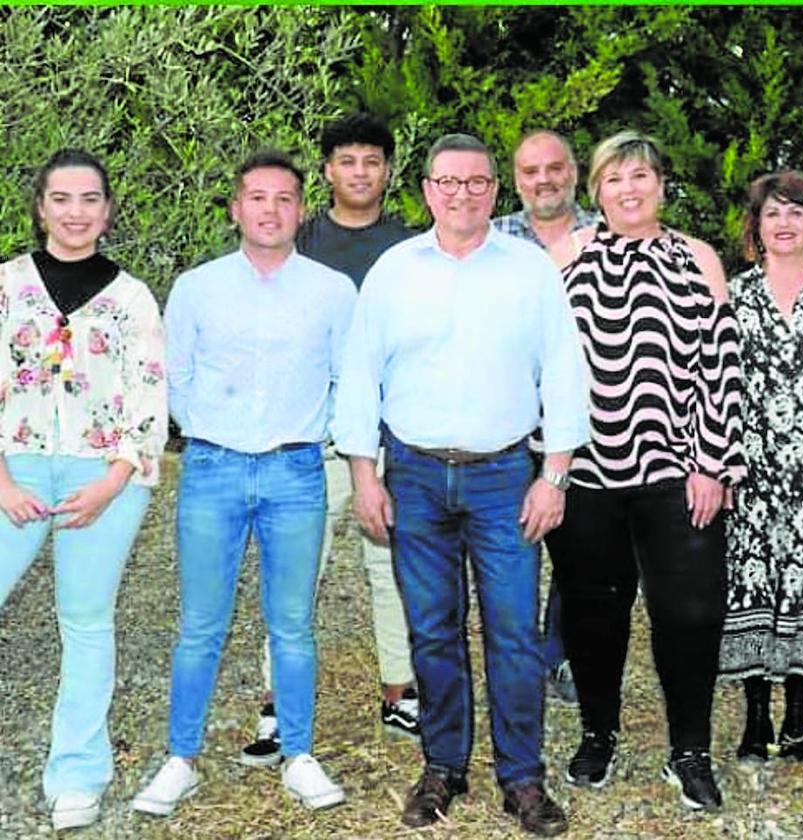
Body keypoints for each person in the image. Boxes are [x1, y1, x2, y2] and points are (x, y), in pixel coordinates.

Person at [333, 133, 589, 837]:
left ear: (493, 192)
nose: (463, 195)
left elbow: (564, 373)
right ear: (426, 191)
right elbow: (360, 375)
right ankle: (444, 766)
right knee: (433, 631)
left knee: (512, 633)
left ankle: (523, 778)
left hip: (506, 475)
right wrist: (364, 474)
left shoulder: (529, 272)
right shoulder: (393, 271)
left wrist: (555, 477)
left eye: (477, 183)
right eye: (449, 182)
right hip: (412, 474)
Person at [132, 151, 357, 815]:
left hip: (296, 471)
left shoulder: (331, 291)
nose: (270, 210)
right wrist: (215, 430)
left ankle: (300, 754)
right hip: (213, 468)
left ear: (301, 210)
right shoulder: (198, 287)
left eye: (284, 199)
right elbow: (175, 376)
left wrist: (319, 436)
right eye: (257, 197)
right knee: (201, 623)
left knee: (292, 624)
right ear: (234, 207)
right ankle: (180, 758)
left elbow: (349, 378)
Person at [544, 130, 745, 812]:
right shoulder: (564, 255)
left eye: (641, 176)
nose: (628, 189)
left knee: (689, 614)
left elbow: (720, 368)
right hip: (588, 473)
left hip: (677, 472)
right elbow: (543, 364)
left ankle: (690, 749)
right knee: (593, 613)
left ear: (662, 185)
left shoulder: (698, 259)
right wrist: (551, 466)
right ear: (595, 190)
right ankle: (597, 734)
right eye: (614, 178)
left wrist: (713, 464)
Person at [239, 113, 420, 769]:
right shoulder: (299, 241)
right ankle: (278, 707)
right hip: (308, 436)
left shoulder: (410, 248)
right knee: (294, 571)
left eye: (373, 160)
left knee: (392, 567)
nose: (361, 172)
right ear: (327, 171)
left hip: (389, 436)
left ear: (388, 170)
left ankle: (401, 691)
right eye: (347, 160)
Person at [0, 150, 167, 831]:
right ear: (40, 205)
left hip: (106, 477)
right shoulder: (7, 286)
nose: (75, 212)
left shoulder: (131, 297)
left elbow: (150, 399)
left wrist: (111, 483)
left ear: (107, 209)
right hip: (13, 469)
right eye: (61, 198)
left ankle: (77, 774)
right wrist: (1, 480)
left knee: (86, 620)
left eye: (89, 199)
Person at [717, 171, 803, 766]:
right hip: (753, 475)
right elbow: (715, 384)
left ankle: (797, 721)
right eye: (773, 213)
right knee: (752, 590)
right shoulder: (734, 295)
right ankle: (755, 719)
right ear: (756, 226)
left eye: (797, 212)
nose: (785, 223)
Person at [494, 129, 599, 706]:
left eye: (554, 168)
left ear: (574, 172)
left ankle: (561, 656)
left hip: (589, 416)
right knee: (515, 540)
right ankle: (518, 657)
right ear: (517, 181)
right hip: (510, 416)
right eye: (531, 171)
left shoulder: (603, 234)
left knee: (579, 545)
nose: (544, 180)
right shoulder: (493, 239)